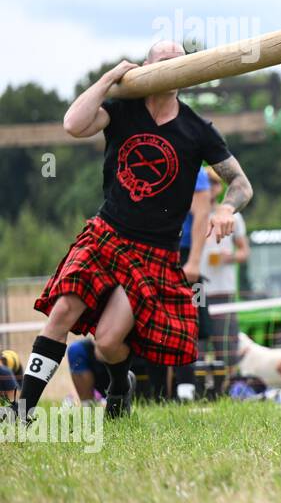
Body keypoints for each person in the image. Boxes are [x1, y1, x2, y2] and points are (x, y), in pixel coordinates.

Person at [8, 44, 252, 423]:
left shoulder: (197, 130)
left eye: (179, 64)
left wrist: (225, 208)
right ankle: (22, 412)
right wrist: (109, 79)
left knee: (107, 343)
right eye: (161, 64)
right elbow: (73, 125)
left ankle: (121, 385)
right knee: (61, 315)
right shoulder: (122, 109)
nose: (171, 70)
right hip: (106, 233)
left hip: (153, 251)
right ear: (146, 68)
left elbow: (240, 183)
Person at [199, 168, 250, 384]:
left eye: (214, 183)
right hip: (198, 289)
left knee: (226, 345)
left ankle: (228, 388)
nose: (210, 188)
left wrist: (230, 257)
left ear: (220, 187)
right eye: (206, 183)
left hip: (223, 289)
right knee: (197, 343)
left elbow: (244, 252)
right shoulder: (191, 215)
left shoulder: (232, 217)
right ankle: (197, 388)